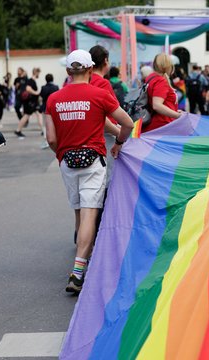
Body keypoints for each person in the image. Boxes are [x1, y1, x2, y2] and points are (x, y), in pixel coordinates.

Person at [45, 49, 134, 293]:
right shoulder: (98, 94)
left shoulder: (53, 99)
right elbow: (127, 123)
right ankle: (78, 271)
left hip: (67, 161)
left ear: (67, 72)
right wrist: (119, 142)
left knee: (78, 211)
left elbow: (51, 137)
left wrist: (60, 154)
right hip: (93, 160)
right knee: (89, 214)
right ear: (89, 70)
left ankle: (82, 257)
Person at [143, 53, 182, 133]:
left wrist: (174, 111)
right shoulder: (160, 81)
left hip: (158, 124)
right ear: (168, 66)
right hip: (163, 125)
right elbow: (157, 105)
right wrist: (177, 115)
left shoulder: (151, 77)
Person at [15, 67, 41, 138]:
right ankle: (18, 130)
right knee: (27, 116)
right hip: (31, 103)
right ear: (36, 73)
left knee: (38, 114)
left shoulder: (31, 80)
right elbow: (28, 89)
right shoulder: (31, 80)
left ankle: (43, 130)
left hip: (32, 102)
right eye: (38, 73)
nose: (39, 74)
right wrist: (36, 93)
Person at [39, 74, 59, 149]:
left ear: (46, 79)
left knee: (45, 124)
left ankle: (46, 138)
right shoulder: (56, 87)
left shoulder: (43, 88)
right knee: (55, 123)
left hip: (45, 107)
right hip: (54, 107)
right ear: (52, 79)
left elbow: (41, 97)